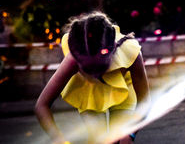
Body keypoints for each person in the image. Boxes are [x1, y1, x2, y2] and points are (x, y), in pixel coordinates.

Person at [35, 11, 150, 144]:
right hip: (88, 92)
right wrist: (59, 140)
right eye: (87, 69)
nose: (95, 74)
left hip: (123, 91)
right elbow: (42, 105)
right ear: (77, 60)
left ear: (112, 51)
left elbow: (144, 101)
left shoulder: (130, 53)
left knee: (121, 138)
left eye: (100, 67)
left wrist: (130, 133)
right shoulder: (73, 59)